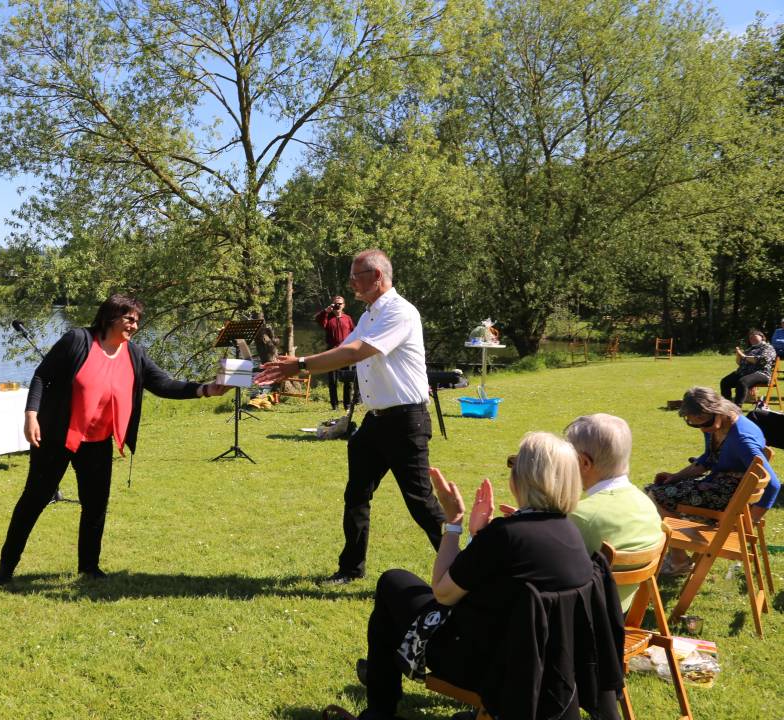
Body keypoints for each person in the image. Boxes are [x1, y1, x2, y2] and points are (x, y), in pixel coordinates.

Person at [349, 433, 623, 720]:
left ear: (522, 479)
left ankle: (380, 708)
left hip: (490, 668)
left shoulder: (506, 536)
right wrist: (480, 537)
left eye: (514, 464)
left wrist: (453, 524)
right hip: (550, 669)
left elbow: (443, 592)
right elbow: (503, 578)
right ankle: (382, 681)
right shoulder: (571, 536)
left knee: (393, 582)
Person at [0, 294, 229, 584]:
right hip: (58, 437)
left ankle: (89, 568)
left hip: (98, 442)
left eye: (137, 320)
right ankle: (6, 568)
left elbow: (165, 384)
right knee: (35, 500)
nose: (135, 326)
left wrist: (206, 389)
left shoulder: (135, 354)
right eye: (129, 319)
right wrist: (31, 414)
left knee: (95, 505)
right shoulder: (77, 340)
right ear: (110, 317)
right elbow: (43, 376)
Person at [255, 249, 442, 585]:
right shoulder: (370, 314)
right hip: (376, 421)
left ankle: (468, 573)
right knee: (356, 494)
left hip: (405, 421)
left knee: (421, 504)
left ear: (378, 277)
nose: (351, 282)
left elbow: (357, 351)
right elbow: (342, 354)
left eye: (358, 275)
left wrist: (298, 365)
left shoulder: (399, 312)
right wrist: (298, 363)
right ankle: (351, 569)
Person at [645, 386, 780, 576]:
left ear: (717, 411)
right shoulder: (715, 425)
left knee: (654, 496)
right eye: (693, 423)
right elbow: (707, 460)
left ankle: (679, 560)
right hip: (718, 486)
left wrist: (752, 520)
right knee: (656, 489)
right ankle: (679, 555)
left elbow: (772, 484)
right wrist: (675, 478)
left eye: (703, 421)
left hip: (730, 497)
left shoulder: (742, 439)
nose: (701, 428)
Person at [564, 414, 664, 611]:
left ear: (584, 463)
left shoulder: (582, 516)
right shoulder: (647, 504)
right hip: (624, 611)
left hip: (587, 618)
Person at [314, 295, 356, 411]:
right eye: (336, 303)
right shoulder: (328, 318)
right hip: (331, 352)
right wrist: (326, 311)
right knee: (332, 380)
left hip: (345, 352)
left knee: (348, 380)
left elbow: (355, 332)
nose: (338, 306)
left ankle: (347, 405)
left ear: (344, 305)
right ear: (333, 305)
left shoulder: (347, 318)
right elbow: (318, 321)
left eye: (340, 304)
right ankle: (335, 405)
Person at [720, 329, 776, 407]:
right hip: (744, 373)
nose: (752, 339)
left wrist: (744, 356)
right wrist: (738, 355)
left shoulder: (768, 348)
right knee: (725, 382)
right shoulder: (750, 349)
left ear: (762, 337)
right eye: (750, 338)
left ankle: (737, 408)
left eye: (754, 336)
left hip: (761, 373)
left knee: (742, 382)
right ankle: (726, 406)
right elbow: (740, 363)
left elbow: (762, 360)